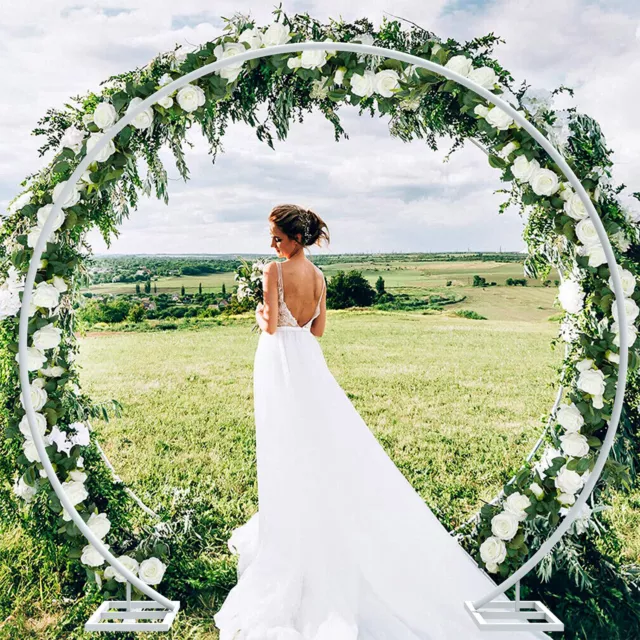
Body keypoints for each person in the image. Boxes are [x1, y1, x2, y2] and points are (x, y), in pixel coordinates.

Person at [213, 204, 552, 640]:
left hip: (279, 362)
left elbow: (274, 329)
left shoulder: (274, 273)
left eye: (277, 237)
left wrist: (262, 315)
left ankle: (294, 527)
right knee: (316, 442)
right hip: (310, 364)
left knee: (283, 444)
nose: (272, 245)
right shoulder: (319, 278)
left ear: (295, 239)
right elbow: (316, 332)